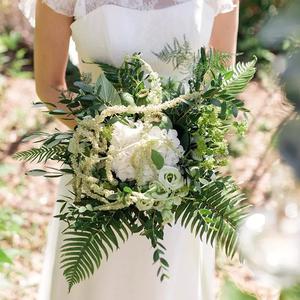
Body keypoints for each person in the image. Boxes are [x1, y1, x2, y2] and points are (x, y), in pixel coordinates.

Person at [20, 0, 239, 299]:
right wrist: (113, 140)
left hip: (180, 177)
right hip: (98, 173)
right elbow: (49, 86)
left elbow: (221, 88)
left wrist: (182, 147)